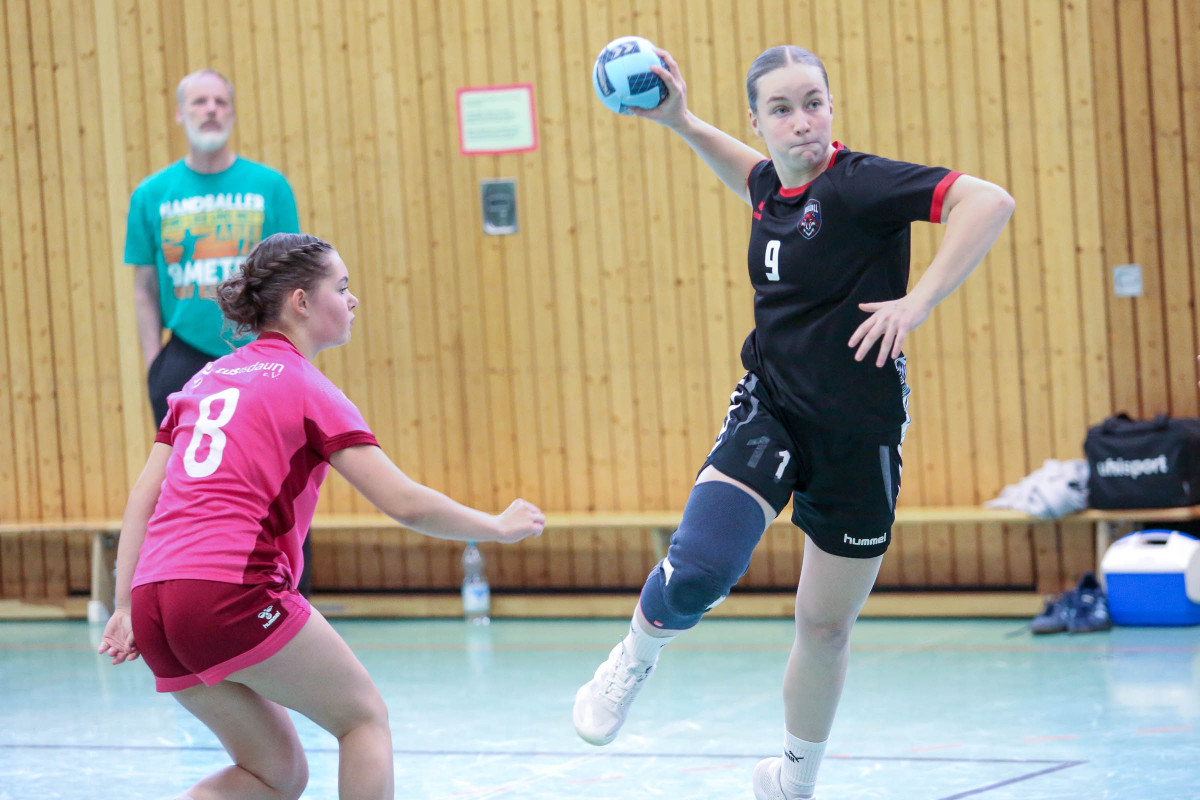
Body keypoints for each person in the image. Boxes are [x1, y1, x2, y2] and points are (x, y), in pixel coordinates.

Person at [572, 45, 1014, 800]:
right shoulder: (771, 191)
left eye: (813, 103)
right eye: (781, 109)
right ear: (758, 120)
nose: (801, 121)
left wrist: (919, 302)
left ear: (831, 107)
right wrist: (681, 122)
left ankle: (791, 782)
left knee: (826, 627)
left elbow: (989, 201)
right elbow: (752, 174)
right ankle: (632, 659)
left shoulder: (862, 183)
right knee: (701, 569)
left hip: (860, 436)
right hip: (770, 409)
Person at [98, 233, 546, 800]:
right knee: (363, 720)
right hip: (230, 591)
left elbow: (143, 499)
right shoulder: (307, 386)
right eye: (342, 286)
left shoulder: (203, 381)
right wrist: (496, 526)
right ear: (302, 303)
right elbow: (404, 502)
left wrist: (123, 605)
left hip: (154, 602)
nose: (353, 299)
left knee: (276, 774)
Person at [124, 68, 313, 594]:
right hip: (184, 355)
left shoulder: (269, 187)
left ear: (231, 112)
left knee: (279, 474)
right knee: (183, 485)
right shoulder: (151, 194)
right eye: (200, 102)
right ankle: (184, 592)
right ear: (180, 114)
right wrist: (154, 362)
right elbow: (143, 287)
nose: (211, 110)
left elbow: (295, 278)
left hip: (262, 351)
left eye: (220, 102)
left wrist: (294, 353)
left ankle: (289, 595)